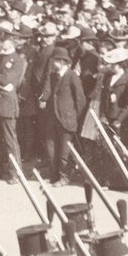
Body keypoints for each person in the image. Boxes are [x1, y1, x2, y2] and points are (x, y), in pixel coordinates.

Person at [0, 31, 27, 183]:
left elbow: (8, 79)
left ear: (11, 42)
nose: (1, 44)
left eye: (4, 40)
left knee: (10, 141)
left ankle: (16, 173)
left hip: (7, 104)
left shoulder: (18, 60)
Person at [42, 45, 87, 184]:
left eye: (54, 61)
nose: (52, 63)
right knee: (51, 148)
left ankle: (64, 177)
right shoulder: (52, 75)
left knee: (64, 151)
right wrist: (42, 99)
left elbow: (80, 99)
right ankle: (53, 175)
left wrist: (76, 117)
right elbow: (47, 90)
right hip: (52, 118)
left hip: (67, 119)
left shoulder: (72, 76)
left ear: (62, 62)